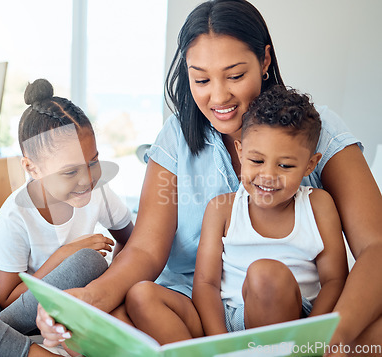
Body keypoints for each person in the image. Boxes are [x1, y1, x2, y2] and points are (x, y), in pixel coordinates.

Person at [38, 0, 382, 355]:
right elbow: (144, 248)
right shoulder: (176, 137)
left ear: (264, 61)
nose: (218, 96)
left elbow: (376, 247)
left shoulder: (314, 129)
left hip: (294, 309)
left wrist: (335, 334)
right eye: (200, 79)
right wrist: (88, 299)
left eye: (235, 76)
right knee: (97, 325)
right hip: (199, 313)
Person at [0, 78, 133, 357]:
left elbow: (135, 245)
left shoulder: (101, 193)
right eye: (70, 171)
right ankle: (27, 352)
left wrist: (110, 284)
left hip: (60, 300)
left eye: (93, 163)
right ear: (32, 168)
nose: (87, 179)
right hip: (3, 302)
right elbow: (7, 301)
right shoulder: (15, 215)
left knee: (90, 262)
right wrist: (62, 255)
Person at [191, 84, 347, 337]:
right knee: (144, 295)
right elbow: (205, 283)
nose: (268, 176)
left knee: (265, 274)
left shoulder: (319, 205)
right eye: (256, 161)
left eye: (285, 165)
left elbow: (335, 281)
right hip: (233, 319)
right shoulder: (222, 208)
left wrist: (311, 336)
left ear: (310, 165)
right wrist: (219, 340)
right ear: (240, 152)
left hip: (297, 319)